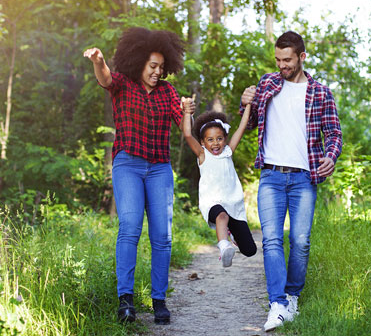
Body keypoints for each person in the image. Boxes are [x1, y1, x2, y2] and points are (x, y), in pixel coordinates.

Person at [83, 27, 195, 325]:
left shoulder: (168, 92)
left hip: (159, 168)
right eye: (152, 66)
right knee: (130, 227)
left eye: (161, 67)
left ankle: (159, 300)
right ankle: (126, 302)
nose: (157, 72)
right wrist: (98, 60)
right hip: (128, 165)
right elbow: (105, 77)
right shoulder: (123, 83)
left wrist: (187, 111)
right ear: (139, 62)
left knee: (162, 236)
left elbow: (186, 130)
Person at [240, 31, 342, 331]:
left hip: (304, 178)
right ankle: (277, 303)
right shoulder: (268, 83)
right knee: (271, 240)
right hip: (271, 175)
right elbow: (251, 121)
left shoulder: (321, 93)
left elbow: (334, 134)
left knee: (300, 241)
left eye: (287, 60)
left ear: (302, 57)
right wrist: (245, 102)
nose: (282, 65)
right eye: (278, 59)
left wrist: (331, 157)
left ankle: (293, 296)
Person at [182, 99, 257, 267]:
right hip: (212, 202)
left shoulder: (228, 152)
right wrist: (187, 113)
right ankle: (224, 246)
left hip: (233, 203)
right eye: (210, 140)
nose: (215, 143)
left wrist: (248, 105)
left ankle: (231, 233)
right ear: (202, 142)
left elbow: (242, 127)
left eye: (219, 138)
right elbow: (187, 134)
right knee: (221, 215)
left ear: (224, 139)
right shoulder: (203, 155)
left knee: (249, 250)